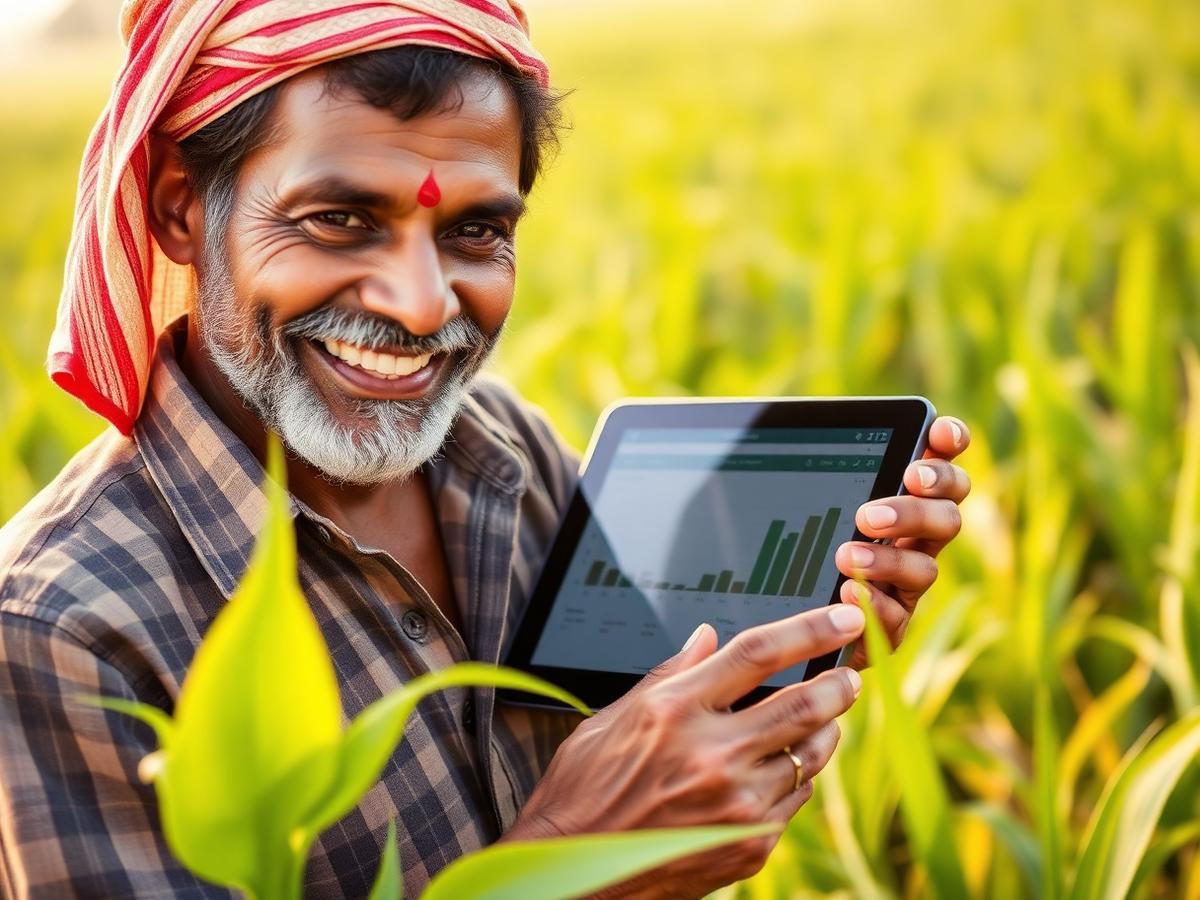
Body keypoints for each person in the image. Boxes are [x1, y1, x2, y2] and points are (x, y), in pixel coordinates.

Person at [0, 1, 972, 897]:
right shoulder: (57, 633)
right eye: (339, 220)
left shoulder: (505, 452)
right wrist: (572, 867)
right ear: (178, 205)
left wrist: (796, 646)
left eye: (475, 230)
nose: (423, 304)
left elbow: (657, 722)